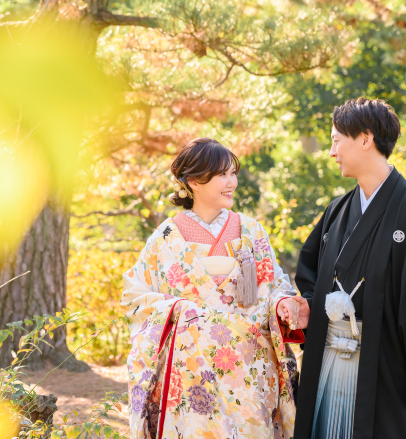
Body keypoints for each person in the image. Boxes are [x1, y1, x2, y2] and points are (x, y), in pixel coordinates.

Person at [293, 98, 406, 439]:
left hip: (386, 364)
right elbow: (310, 275)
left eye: (337, 140)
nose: (331, 151)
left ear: (365, 139)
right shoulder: (338, 210)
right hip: (329, 358)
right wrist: (308, 308)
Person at [122, 137, 309, 439]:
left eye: (233, 173)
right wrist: (178, 309)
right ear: (194, 180)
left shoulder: (251, 230)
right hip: (192, 367)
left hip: (249, 366)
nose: (232, 181)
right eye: (222, 174)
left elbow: (273, 285)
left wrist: (281, 305)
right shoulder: (166, 238)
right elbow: (135, 294)